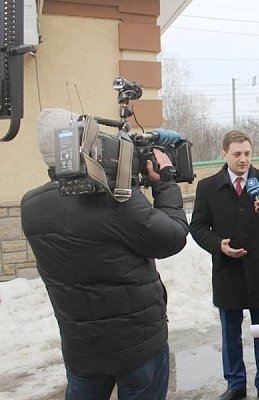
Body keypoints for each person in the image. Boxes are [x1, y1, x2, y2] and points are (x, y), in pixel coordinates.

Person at [20, 108, 189, 399]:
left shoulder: (30, 206)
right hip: (138, 346)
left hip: (81, 349)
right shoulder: (115, 200)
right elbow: (171, 237)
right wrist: (165, 183)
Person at [189, 130, 259, 400]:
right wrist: (219, 245)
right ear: (224, 154)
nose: (243, 160)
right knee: (230, 334)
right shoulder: (208, 187)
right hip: (227, 272)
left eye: (247, 154)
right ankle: (235, 384)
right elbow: (197, 227)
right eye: (237, 154)